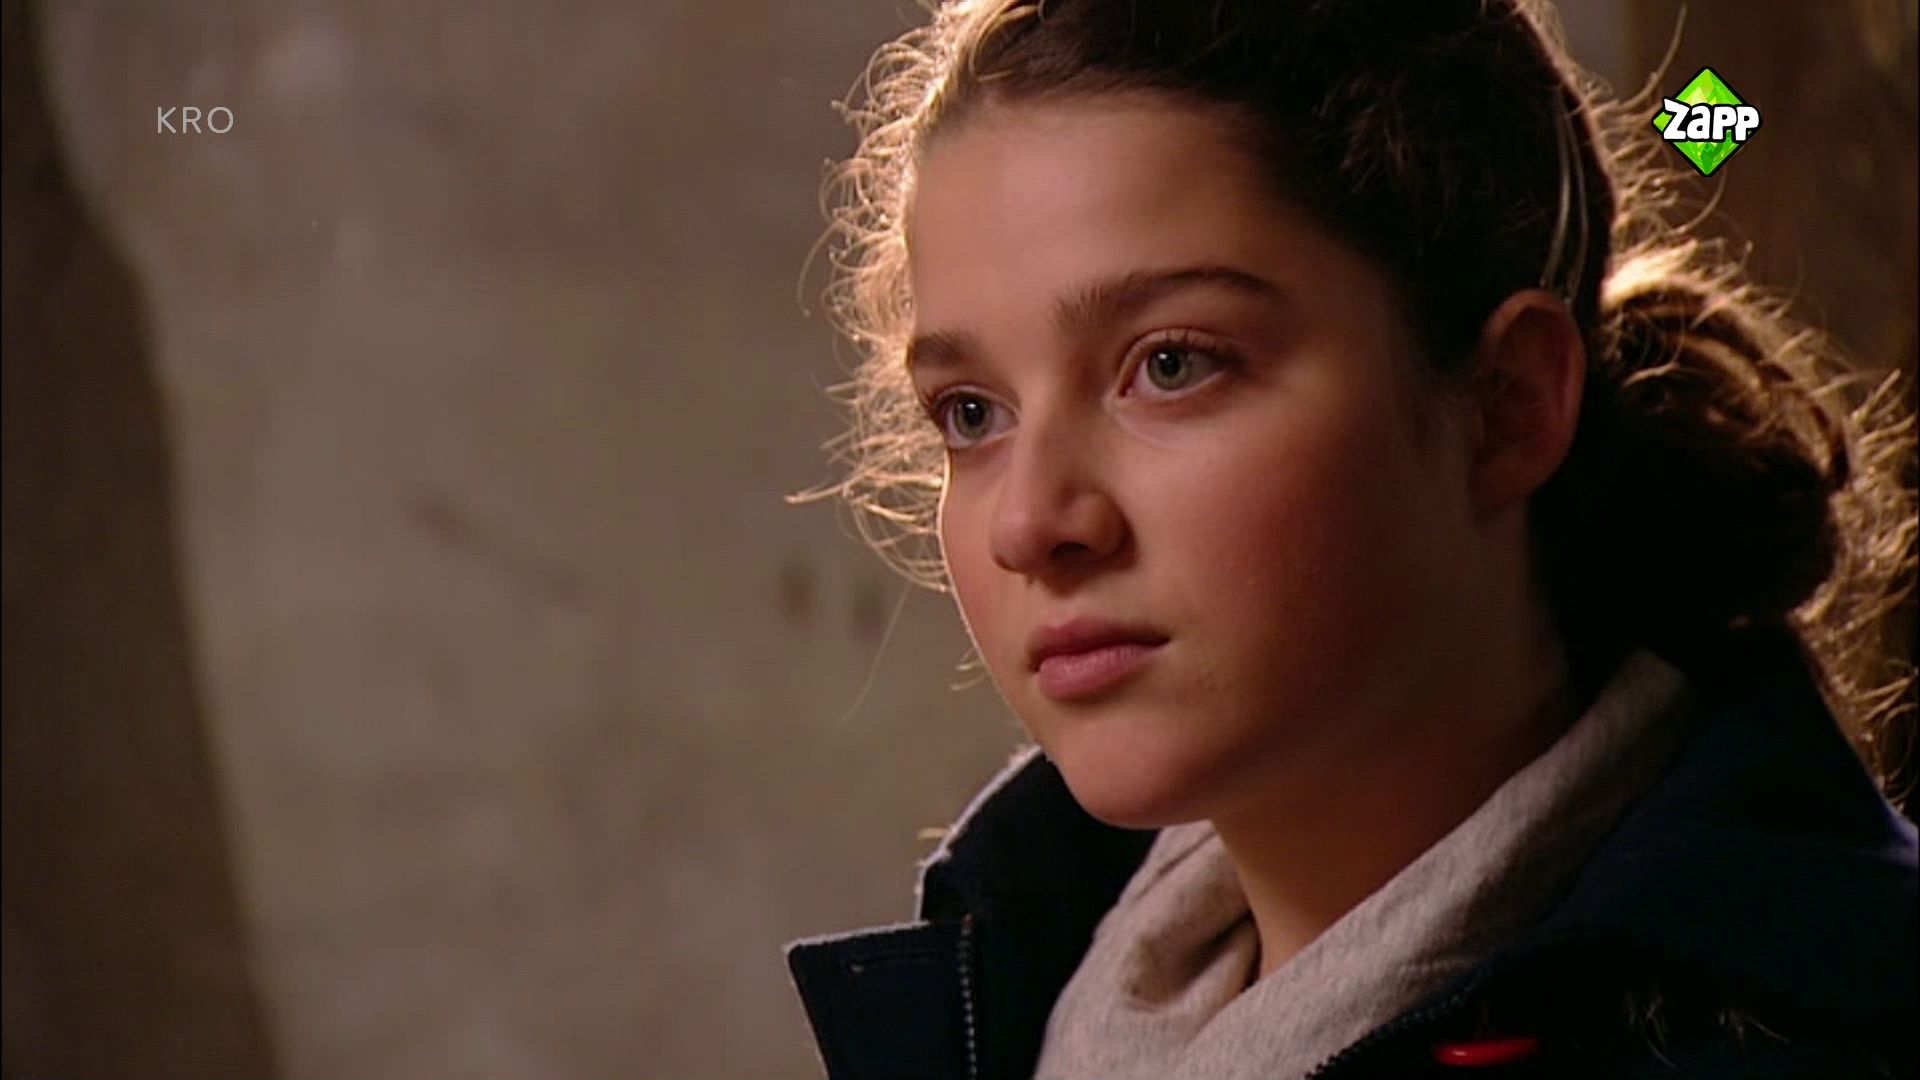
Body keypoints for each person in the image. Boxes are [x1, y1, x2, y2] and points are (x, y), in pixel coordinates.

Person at [782, 1, 1919, 1077]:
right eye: (970, 414)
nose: (1032, 524)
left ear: (1507, 405)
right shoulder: (1017, 981)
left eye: (1171, 364)